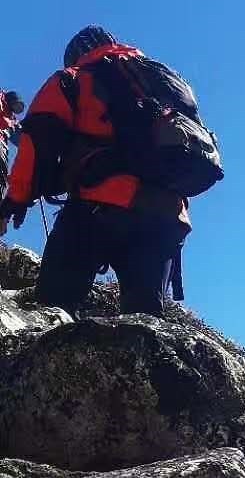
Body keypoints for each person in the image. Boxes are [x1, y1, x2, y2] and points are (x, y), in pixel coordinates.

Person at [0, 26, 209, 317]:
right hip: (166, 214)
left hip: (98, 206)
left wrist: (16, 200)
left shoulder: (73, 78)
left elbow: (38, 140)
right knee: (145, 316)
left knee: (54, 303)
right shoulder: (161, 81)